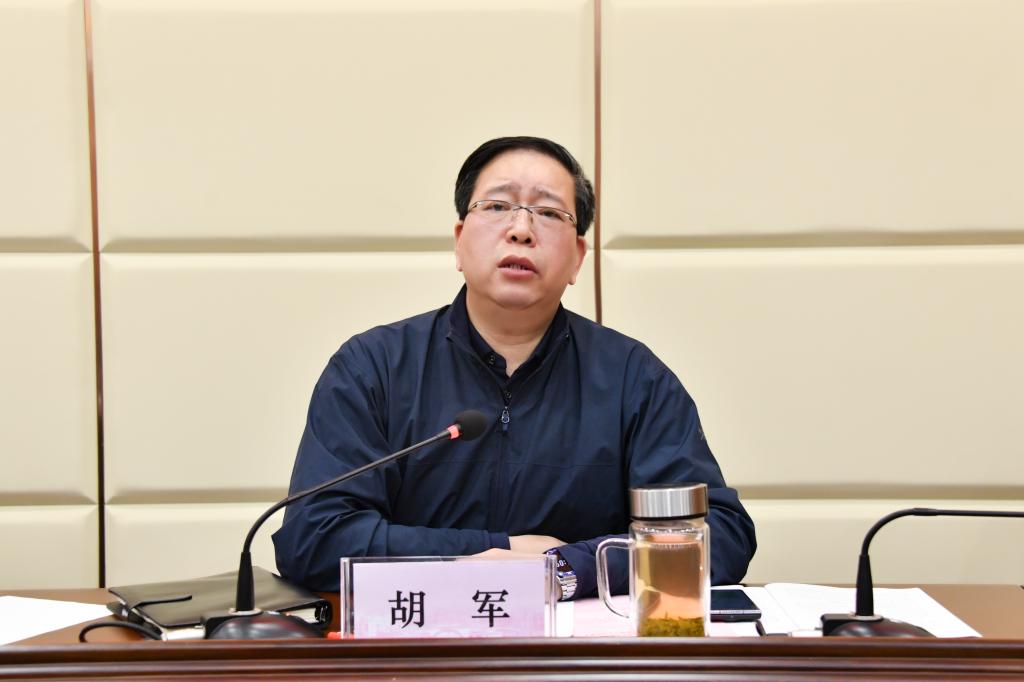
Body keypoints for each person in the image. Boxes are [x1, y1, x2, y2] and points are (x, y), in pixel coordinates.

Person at [273, 136, 756, 598]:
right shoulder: (374, 367)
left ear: (577, 258)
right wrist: (489, 553)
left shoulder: (633, 378)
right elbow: (314, 538)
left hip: (577, 650)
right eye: (497, 206)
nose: (521, 229)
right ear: (460, 242)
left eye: (548, 212)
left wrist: (569, 568)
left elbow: (720, 535)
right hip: (417, 647)